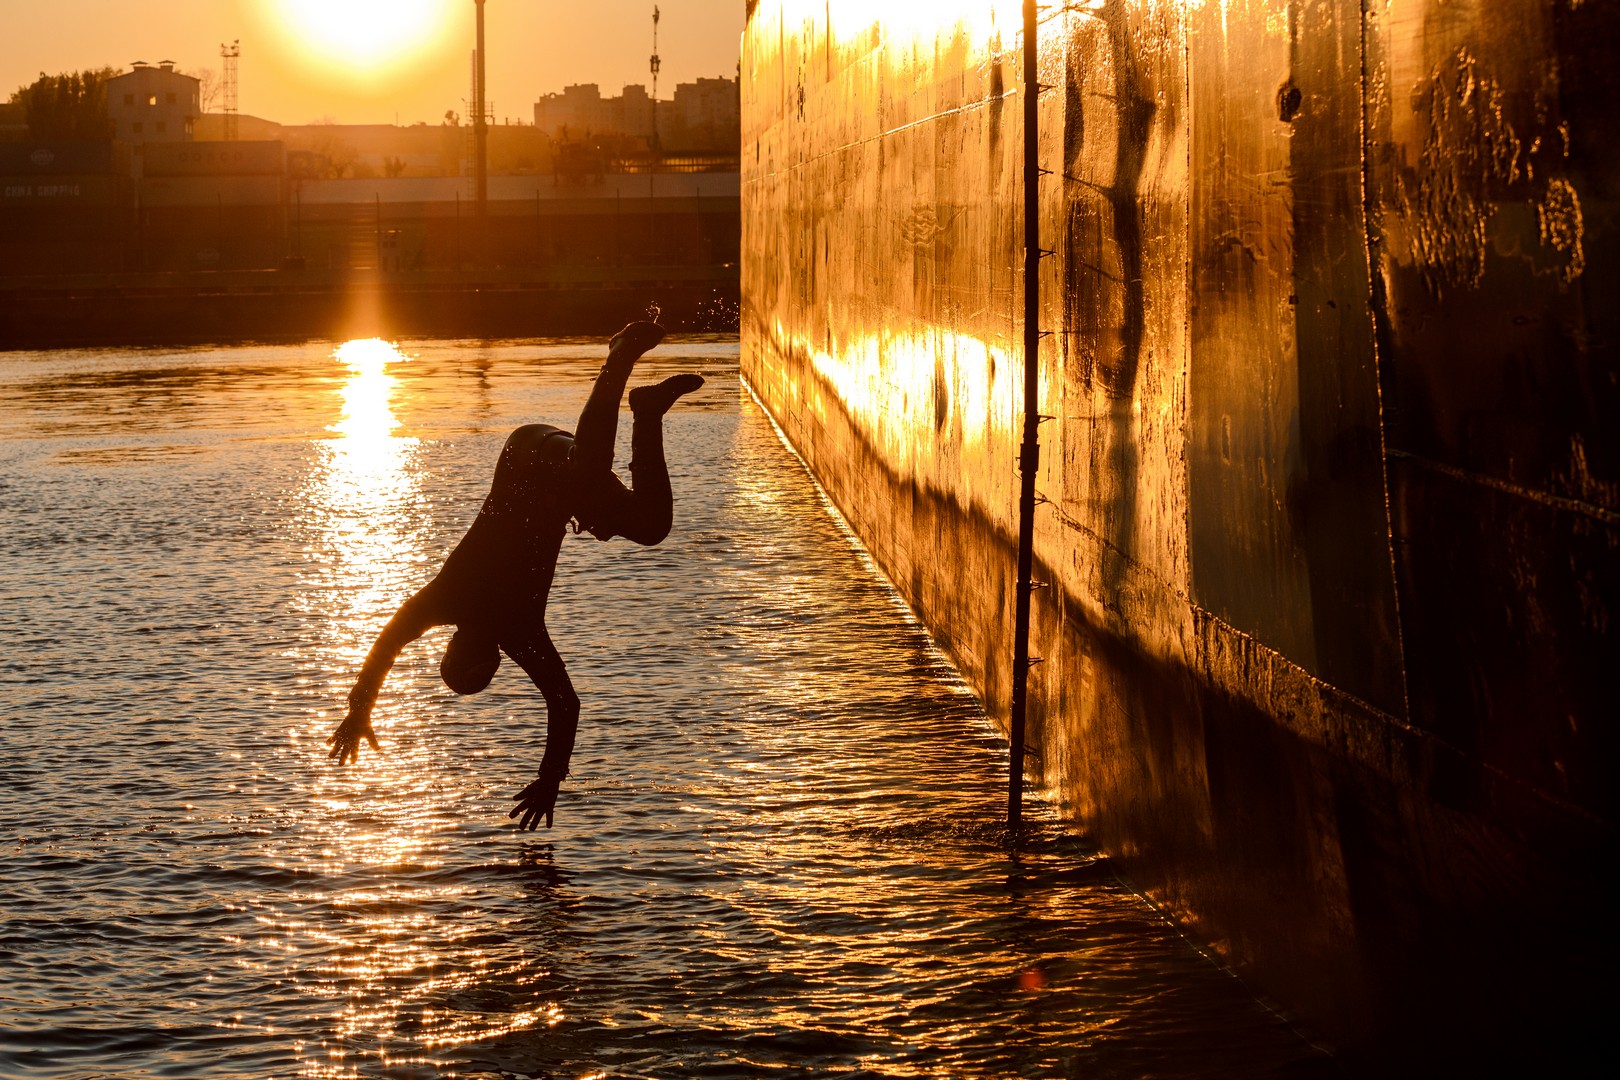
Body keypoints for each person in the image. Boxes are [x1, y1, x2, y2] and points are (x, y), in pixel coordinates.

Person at [326, 321, 703, 829]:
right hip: (564, 493)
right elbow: (565, 704)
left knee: (590, 467)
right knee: (651, 526)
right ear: (494, 661)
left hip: (527, 457)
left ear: (453, 645)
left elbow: (386, 643)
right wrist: (552, 778)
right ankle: (648, 412)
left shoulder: (446, 600)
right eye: (483, 666)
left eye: (465, 659)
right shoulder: (518, 632)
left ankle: (620, 354)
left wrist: (359, 708)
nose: (479, 653)